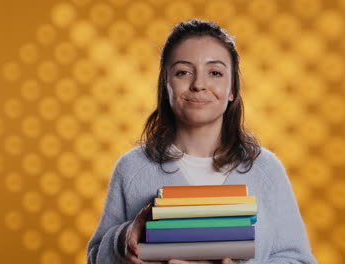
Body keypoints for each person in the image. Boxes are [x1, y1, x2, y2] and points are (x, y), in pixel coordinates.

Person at [87, 19, 317, 264]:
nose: (199, 84)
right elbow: (95, 258)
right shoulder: (131, 168)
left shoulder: (266, 170)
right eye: (183, 72)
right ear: (166, 86)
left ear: (232, 90)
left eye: (215, 73)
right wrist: (123, 239)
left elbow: (298, 260)